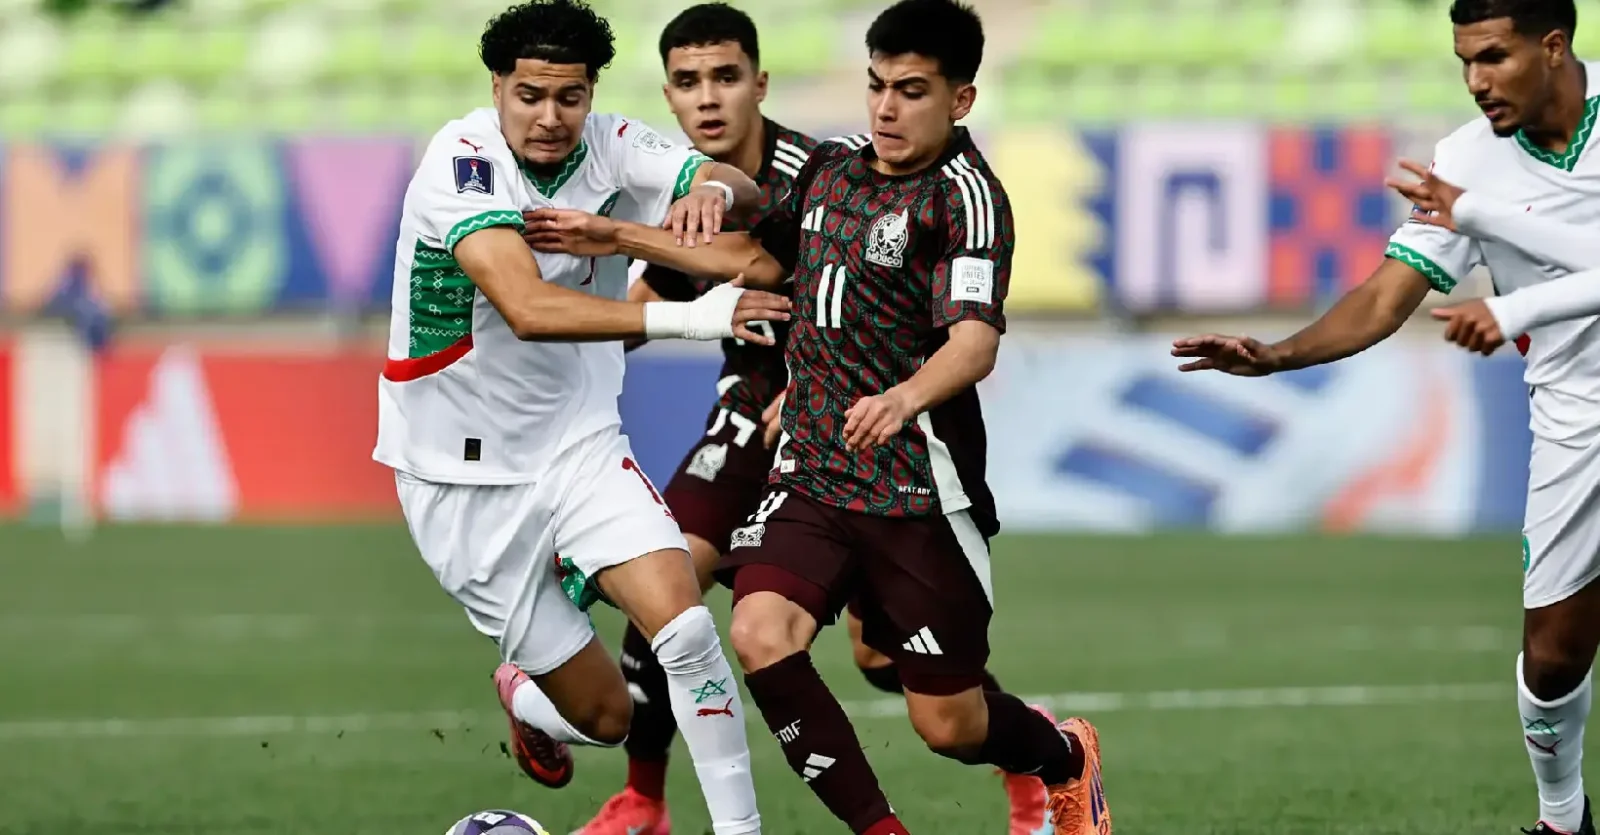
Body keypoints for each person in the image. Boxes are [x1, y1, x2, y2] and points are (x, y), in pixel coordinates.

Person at [525, 2, 1111, 833]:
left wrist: (902, 397)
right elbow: (756, 260)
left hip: (914, 484)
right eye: (876, 87)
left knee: (939, 716)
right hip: (809, 463)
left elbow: (974, 343)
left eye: (911, 91)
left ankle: (1056, 752)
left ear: (962, 100)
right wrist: (619, 238)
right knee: (755, 628)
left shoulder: (968, 200)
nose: (885, 108)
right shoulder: (833, 170)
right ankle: (802, 818)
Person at [1174, 2, 1596, 832]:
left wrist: (1510, 304)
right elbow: (1382, 297)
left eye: (1494, 57)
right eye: (1464, 61)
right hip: (1575, 423)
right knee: (1550, 659)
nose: (1477, 81)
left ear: (1553, 47)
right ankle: (1563, 817)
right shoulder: (1464, 161)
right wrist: (1276, 354)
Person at [371, 3, 788, 834]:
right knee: (609, 718)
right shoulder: (461, 161)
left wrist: (707, 189)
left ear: (591, 93)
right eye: (529, 95)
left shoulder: (613, 142)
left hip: (579, 447)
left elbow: (738, 194)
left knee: (686, 630)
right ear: (498, 86)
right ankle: (525, 695)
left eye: (570, 97)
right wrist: (693, 318)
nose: (550, 118)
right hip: (460, 482)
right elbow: (526, 305)